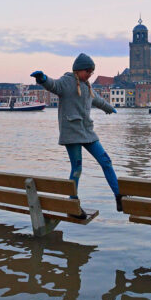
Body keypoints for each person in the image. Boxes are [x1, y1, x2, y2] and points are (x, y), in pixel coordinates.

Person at [31, 53, 123, 219]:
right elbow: (53, 85)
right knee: (77, 169)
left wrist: (109, 108)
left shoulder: (87, 86)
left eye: (92, 72)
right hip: (72, 133)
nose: (90, 74)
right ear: (79, 69)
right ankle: (73, 205)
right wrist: (43, 79)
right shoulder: (66, 82)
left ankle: (119, 197)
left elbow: (97, 100)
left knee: (106, 162)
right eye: (88, 71)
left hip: (88, 132)